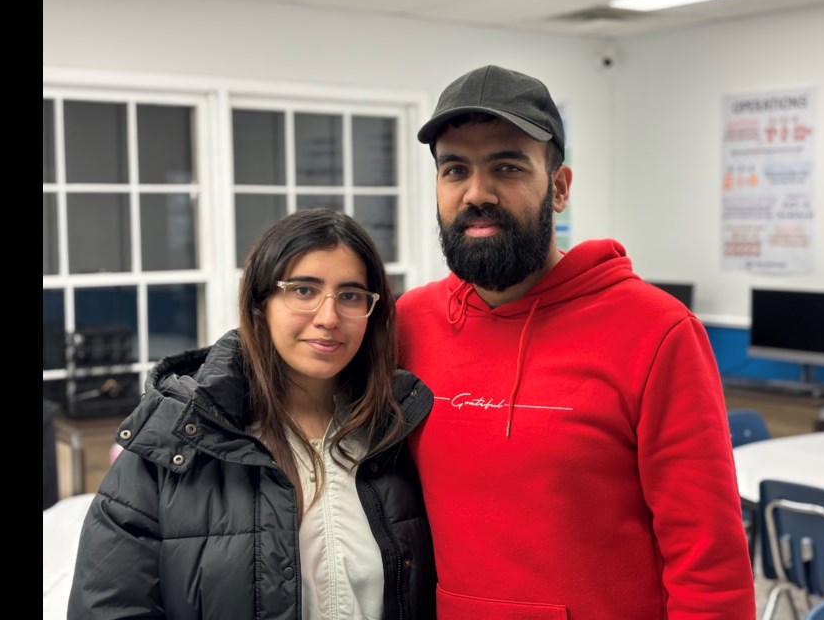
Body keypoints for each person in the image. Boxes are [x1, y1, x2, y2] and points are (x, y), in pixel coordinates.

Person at [395, 65, 756, 619]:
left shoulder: (658, 333)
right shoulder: (409, 323)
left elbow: (708, 561)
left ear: (558, 188)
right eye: (455, 170)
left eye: (507, 167)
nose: (478, 193)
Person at [68, 208, 436, 619]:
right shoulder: (173, 442)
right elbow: (107, 608)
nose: (328, 318)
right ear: (261, 303)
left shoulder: (402, 432)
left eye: (350, 296)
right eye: (303, 291)